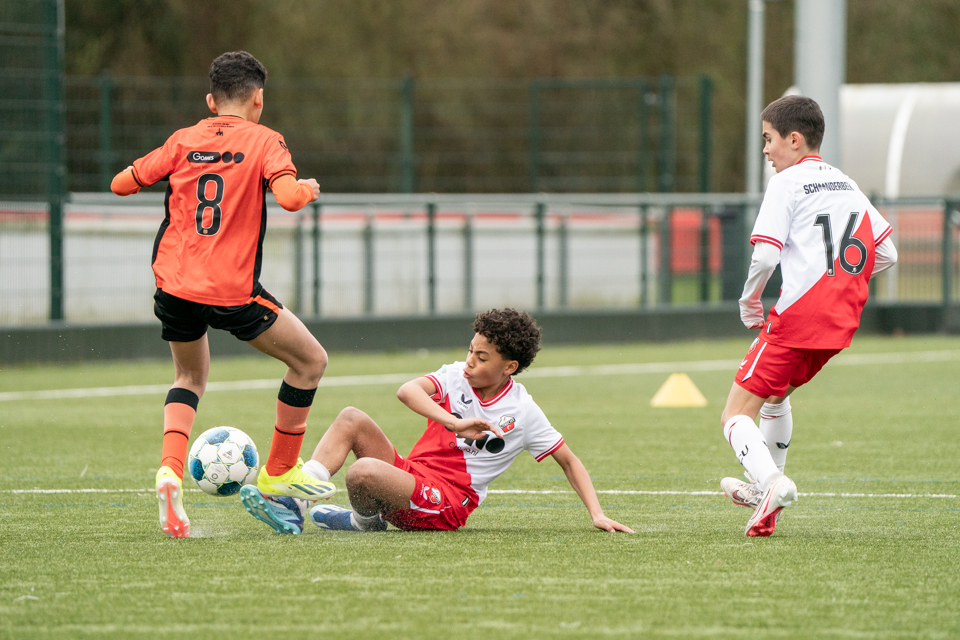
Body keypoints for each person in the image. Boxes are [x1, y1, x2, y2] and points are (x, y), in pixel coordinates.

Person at [111, 51, 336, 538]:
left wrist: (173, 169)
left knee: (189, 376)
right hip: (230, 291)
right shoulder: (265, 140)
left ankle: (170, 470)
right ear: (258, 99)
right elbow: (292, 199)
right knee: (309, 362)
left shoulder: (183, 140)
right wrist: (311, 188)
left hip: (174, 284)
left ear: (211, 101)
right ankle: (279, 471)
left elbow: (120, 184)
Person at [239, 308, 634, 535]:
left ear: (509, 366)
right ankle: (295, 502)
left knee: (363, 473)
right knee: (351, 418)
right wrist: (453, 421)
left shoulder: (523, 411)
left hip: (446, 503)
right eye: (470, 351)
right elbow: (407, 390)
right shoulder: (455, 376)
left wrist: (597, 514)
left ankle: (364, 521)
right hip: (413, 474)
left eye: (482, 358)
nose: (469, 362)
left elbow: (569, 460)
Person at [719, 95, 898, 537]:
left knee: (734, 415)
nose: (765, 150)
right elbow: (887, 253)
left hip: (799, 318)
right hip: (840, 324)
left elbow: (764, 256)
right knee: (776, 398)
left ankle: (771, 481)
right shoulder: (845, 183)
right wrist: (840, 280)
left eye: (768, 139)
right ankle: (764, 490)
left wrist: (749, 302)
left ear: (794, 140)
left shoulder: (786, 184)